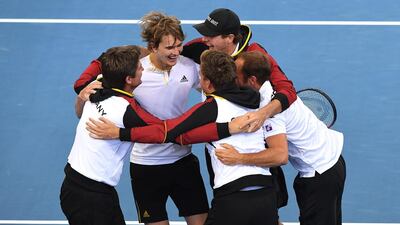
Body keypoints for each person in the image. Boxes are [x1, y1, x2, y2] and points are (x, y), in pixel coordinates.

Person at [87, 50, 282, 225]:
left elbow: (169, 133)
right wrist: (227, 128)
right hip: (266, 195)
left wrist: (120, 133)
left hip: (233, 199)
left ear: (206, 83)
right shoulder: (258, 104)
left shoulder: (210, 107)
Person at [74, 12, 209, 225]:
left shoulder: (189, 68)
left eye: (179, 45)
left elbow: (213, 92)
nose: (176, 52)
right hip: (146, 166)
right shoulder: (134, 73)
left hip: (183, 161)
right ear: (153, 47)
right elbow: (83, 111)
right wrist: (82, 98)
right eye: (170, 47)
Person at [215, 51, 346, 225]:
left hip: (319, 175)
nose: (234, 79)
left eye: (237, 76)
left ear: (253, 80)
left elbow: (280, 156)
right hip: (334, 161)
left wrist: (239, 158)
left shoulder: (270, 112)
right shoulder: (275, 88)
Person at [60, 45, 143, 225]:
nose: (143, 68)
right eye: (139, 67)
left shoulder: (95, 88)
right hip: (91, 198)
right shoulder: (127, 111)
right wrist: (121, 133)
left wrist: (81, 97)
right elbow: (162, 131)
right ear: (128, 79)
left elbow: (79, 113)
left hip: (76, 187)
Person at [182, 8, 297, 131]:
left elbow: (288, 90)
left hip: (264, 125)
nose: (204, 39)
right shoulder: (199, 47)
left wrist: (262, 114)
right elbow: (170, 51)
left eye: (210, 35)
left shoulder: (255, 57)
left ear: (230, 38)